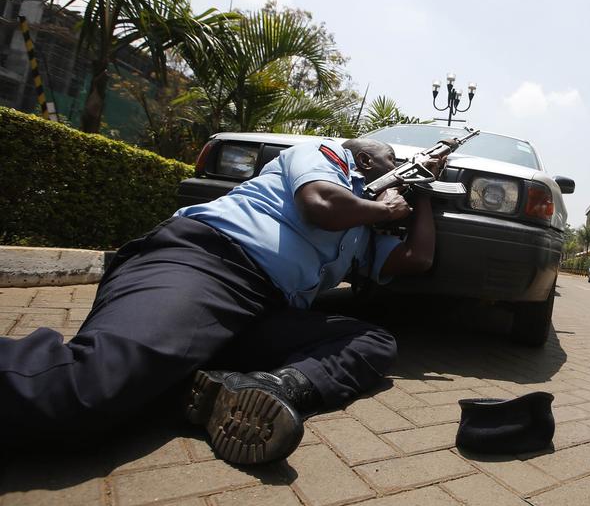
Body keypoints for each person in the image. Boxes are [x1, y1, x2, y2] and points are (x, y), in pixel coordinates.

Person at [0, 137, 441, 464]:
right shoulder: (324, 155)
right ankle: (173, 380)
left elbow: (416, 258)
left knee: (372, 341)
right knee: (85, 390)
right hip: (207, 263)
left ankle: (263, 388)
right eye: (396, 161)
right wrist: (385, 210)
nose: (401, 166)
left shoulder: (363, 225)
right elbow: (321, 205)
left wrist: (422, 193)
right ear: (365, 159)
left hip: (265, 307)